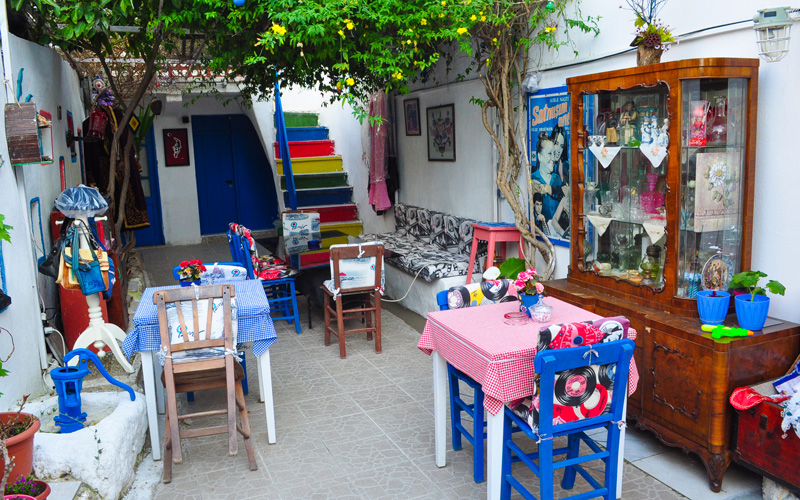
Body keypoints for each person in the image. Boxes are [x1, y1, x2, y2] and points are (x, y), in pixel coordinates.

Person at [532, 131, 564, 221]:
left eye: (554, 154)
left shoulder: (557, 179)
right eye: (550, 153)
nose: (553, 158)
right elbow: (518, 190)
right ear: (540, 156)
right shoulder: (532, 178)